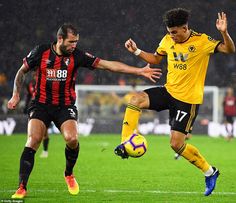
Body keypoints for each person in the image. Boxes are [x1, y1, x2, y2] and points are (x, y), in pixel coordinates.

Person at [8, 23, 162, 199]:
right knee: (33, 139)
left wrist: (139, 71)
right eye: (71, 41)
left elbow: (107, 65)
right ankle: (22, 187)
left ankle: (68, 174)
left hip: (65, 106)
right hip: (41, 104)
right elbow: (21, 72)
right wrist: (15, 95)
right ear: (60, 39)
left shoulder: (77, 56)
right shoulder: (41, 52)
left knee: (72, 139)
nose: (74, 45)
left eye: (76, 41)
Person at [114, 8, 235, 196]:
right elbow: (156, 58)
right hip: (168, 91)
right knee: (135, 99)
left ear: (185, 28)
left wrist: (224, 32)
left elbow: (229, 49)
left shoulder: (202, 41)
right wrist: (137, 51)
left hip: (187, 101)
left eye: (175, 32)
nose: (172, 36)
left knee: (176, 144)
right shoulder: (167, 39)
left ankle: (210, 172)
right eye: (169, 32)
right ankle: (125, 142)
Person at [23, 72, 50, 158]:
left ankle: (45, 151)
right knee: (31, 131)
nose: (36, 77)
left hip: (45, 109)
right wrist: (25, 106)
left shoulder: (46, 83)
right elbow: (28, 95)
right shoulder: (30, 84)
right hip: (34, 108)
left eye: (37, 75)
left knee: (44, 133)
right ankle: (29, 150)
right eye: (35, 75)